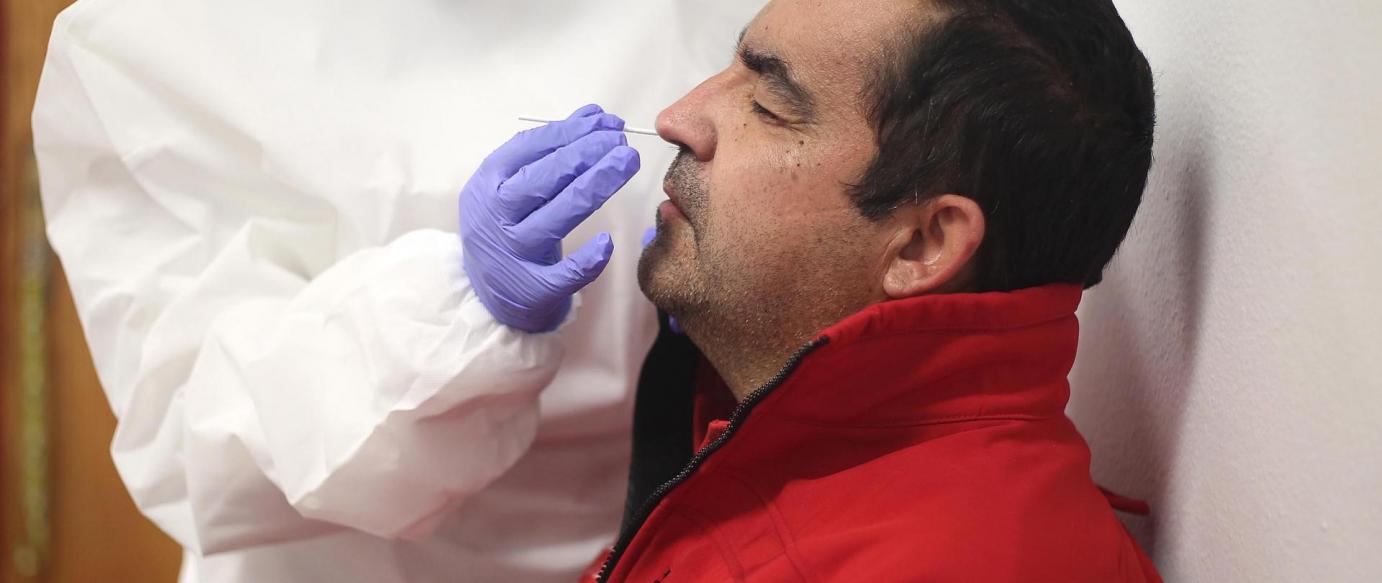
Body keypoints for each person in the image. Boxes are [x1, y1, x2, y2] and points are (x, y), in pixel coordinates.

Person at [31, 0, 763, 581]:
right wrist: (459, 311)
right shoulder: (150, 44)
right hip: (340, 566)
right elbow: (195, 438)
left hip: (676, 531)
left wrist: (748, 299)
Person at [591, 0, 1163, 580]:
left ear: (922, 246)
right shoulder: (759, 419)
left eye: (768, 105)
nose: (674, 117)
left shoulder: (951, 563)